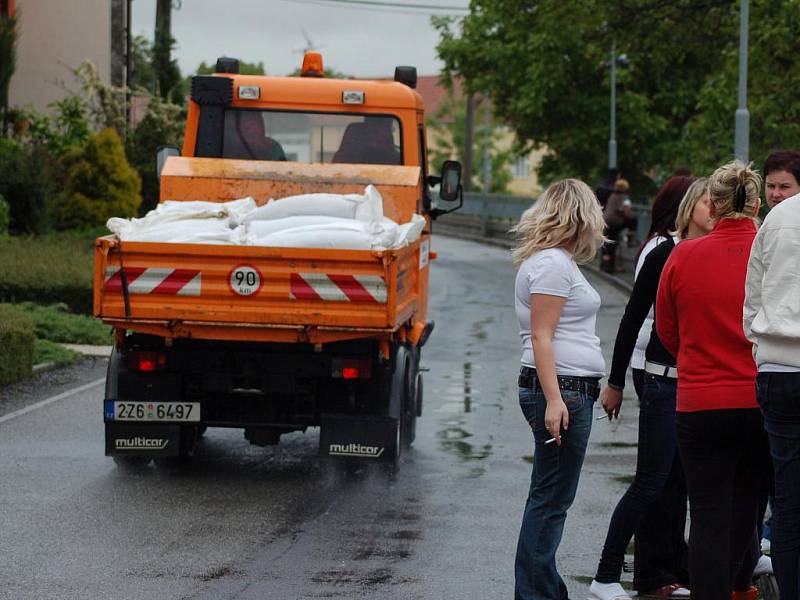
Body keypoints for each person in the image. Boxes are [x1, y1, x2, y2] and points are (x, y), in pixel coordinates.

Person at [588, 177, 709, 600]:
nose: (715, 209)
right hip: (659, 380)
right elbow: (633, 317)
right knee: (651, 482)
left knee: (677, 482)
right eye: (709, 201)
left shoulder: (704, 252)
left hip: (693, 384)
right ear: (691, 205)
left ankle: (669, 573)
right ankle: (605, 575)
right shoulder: (662, 252)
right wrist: (616, 381)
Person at [656, 161, 771, 600]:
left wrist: (696, 354)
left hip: (700, 399)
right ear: (757, 202)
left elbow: (668, 330)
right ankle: (738, 587)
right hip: (759, 397)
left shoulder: (682, 255)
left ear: (715, 205)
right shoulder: (769, 254)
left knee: (705, 513)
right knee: (747, 507)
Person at [511, 179, 606, 600]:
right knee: (550, 500)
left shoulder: (556, 262)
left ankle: (542, 590)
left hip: (566, 388)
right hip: (563, 390)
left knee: (550, 498)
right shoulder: (552, 264)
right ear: (581, 216)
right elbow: (541, 337)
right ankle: (537, 594)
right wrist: (554, 399)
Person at [744, 164, 800, 600]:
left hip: (777, 370)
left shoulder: (775, 220)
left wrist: (760, 351)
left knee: (787, 498)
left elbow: (753, 298)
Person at [601, 179, 633, 273]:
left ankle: (603, 265)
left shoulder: (612, 196)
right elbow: (627, 212)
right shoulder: (625, 198)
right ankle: (610, 267)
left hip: (605, 221)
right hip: (615, 223)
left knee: (607, 243)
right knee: (613, 244)